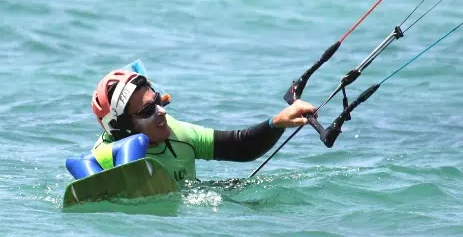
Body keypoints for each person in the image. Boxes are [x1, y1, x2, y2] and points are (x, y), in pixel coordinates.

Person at [89, 69, 317, 182]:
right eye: (149, 110)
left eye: (158, 101)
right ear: (123, 128)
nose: (162, 111)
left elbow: (241, 147)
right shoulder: (103, 156)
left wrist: (277, 123)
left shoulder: (177, 132)